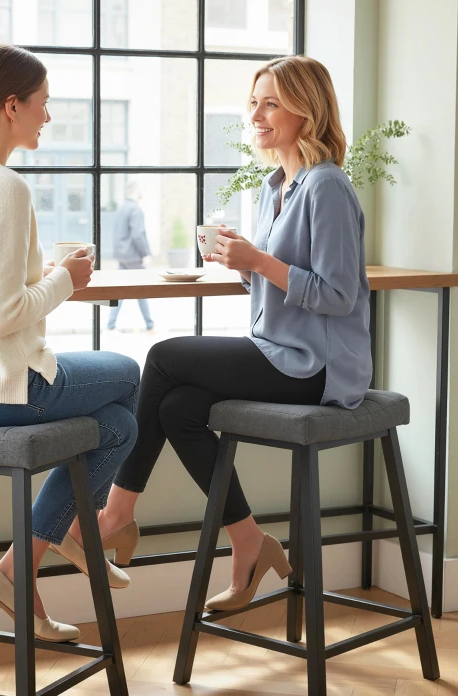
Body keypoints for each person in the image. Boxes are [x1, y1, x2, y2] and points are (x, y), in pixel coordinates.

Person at [98, 55, 372, 612]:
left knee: (164, 356)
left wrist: (260, 261)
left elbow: (339, 296)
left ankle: (116, 514)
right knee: (178, 408)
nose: (257, 115)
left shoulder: (327, 187)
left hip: (317, 368)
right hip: (283, 351)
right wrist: (244, 264)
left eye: (271, 102)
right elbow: (290, 286)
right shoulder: (282, 186)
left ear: (306, 110)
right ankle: (249, 541)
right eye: (254, 103)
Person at [0, 44, 142, 643]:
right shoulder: (4, 186)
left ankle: (27, 562)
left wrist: (46, 270)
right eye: (43, 105)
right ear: (11, 106)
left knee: (119, 426)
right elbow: (2, 314)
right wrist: (68, 280)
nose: (47, 117)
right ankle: (61, 534)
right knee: (127, 372)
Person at [107, 182, 154, 331]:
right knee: (141, 290)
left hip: (122, 255)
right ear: (134, 191)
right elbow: (138, 234)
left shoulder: (121, 209)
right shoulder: (135, 209)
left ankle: (111, 325)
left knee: (120, 291)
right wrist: (145, 254)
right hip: (134, 256)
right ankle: (150, 326)